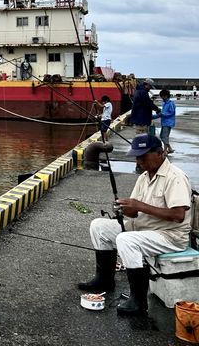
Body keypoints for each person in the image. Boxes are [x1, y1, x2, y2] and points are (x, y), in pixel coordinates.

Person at [77, 134, 192, 316]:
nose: (139, 161)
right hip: (143, 228)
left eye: (143, 156)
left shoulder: (175, 177)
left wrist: (140, 206)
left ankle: (138, 301)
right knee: (98, 226)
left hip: (170, 235)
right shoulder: (144, 177)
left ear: (160, 153)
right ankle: (104, 280)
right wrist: (123, 209)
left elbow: (178, 215)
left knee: (126, 240)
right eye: (137, 156)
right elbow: (135, 213)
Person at [154, 89, 176, 155]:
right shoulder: (164, 103)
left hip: (168, 122)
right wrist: (153, 116)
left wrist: (162, 114)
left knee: (164, 136)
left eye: (162, 97)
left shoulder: (170, 103)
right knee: (162, 136)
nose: (162, 98)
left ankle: (165, 151)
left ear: (166, 96)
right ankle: (170, 148)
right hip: (164, 122)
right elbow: (162, 113)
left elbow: (171, 113)